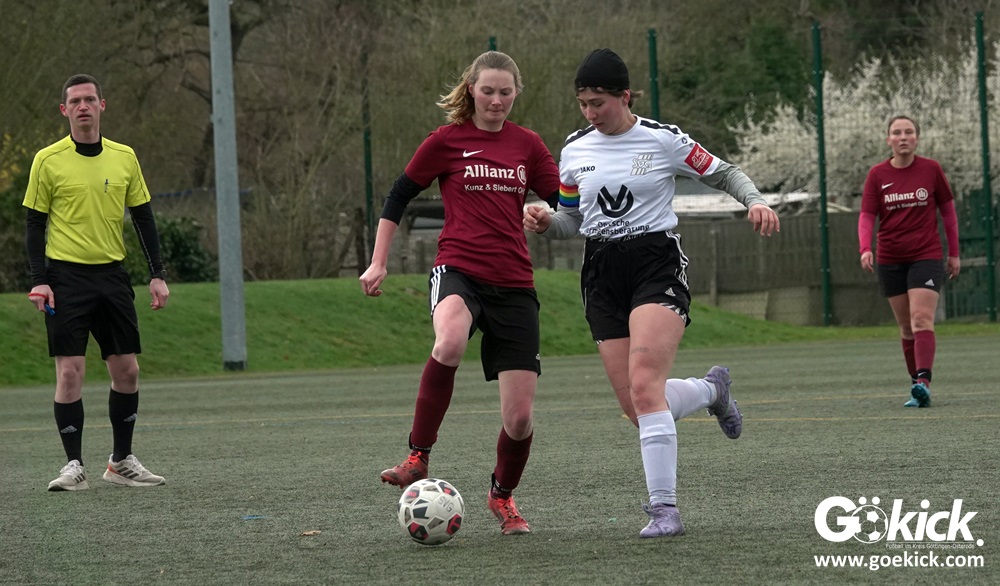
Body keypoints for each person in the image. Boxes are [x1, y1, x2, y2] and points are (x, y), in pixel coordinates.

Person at [523, 49, 780, 538]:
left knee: (645, 387)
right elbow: (571, 220)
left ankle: (665, 511)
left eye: (598, 102)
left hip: (654, 263)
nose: (590, 113)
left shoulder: (663, 140)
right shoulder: (575, 149)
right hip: (601, 273)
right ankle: (712, 390)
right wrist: (545, 222)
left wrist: (756, 201)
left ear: (625, 96)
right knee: (636, 407)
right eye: (582, 104)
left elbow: (724, 172)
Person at [359, 51, 559, 535]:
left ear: (516, 93)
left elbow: (565, 203)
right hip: (459, 270)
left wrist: (547, 216)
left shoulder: (529, 145)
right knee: (448, 342)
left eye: (505, 92)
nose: (496, 100)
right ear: (471, 89)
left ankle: (502, 497)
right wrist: (379, 261)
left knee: (520, 420)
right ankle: (417, 456)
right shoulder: (446, 141)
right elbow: (398, 195)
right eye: (487, 90)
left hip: (514, 283)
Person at [23, 74, 169, 491]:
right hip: (65, 278)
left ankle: (121, 462)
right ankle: (74, 465)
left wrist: (157, 274)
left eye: (90, 99)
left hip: (112, 276)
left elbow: (143, 218)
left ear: (102, 105)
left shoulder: (125, 157)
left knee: (128, 371)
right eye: (75, 101)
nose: (83, 106)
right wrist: (40, 280)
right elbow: (34, 224)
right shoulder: (47, 160)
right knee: (70, 373)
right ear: (64, 110)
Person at [858, 115, 960, 408]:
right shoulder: (877, 174)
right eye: (897, 133)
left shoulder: (931, 169)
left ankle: (923, 383)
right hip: (890, 258)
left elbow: (948, 213)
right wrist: (865, 248)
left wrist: (954, 253)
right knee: (905, 327)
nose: (903, 137)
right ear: (888, 139)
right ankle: (916, 385)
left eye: (909, 132)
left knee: (921, 319)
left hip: (925, 255)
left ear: (917, 138)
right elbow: (867, 216)